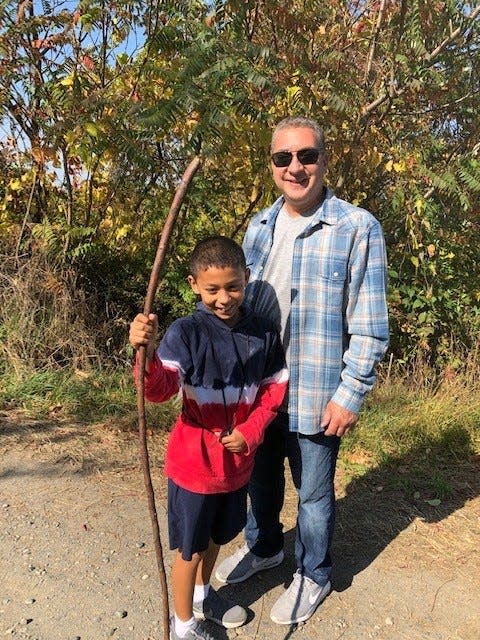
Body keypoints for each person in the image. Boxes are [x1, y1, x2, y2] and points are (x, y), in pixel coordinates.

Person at [215, 116, 389, 625]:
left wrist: (350, 394)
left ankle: (314, 573)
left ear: (324, 159)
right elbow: (234, 307)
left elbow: (371, 325)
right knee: (260, 483)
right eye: (283, 157)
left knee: (313, 497)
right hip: (258, 393)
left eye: (306, 155)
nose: (295, 166)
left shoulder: (357, 228)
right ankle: (265, 547)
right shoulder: (259, 227)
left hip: (316, 392)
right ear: (271, 165)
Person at [129, 236, 288, 640]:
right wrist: (144, 356)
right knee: (190, 549)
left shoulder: (264, 333)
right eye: (213, 289)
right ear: (194, 284)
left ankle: (203, 597)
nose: (224, 298)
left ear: (247, 279)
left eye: (233, 286)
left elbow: (274, 387)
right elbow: (161, 388)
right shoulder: (185, 333)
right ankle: (183, 625)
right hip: (194, 466)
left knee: (218, 536)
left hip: (236, 466)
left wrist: (252, 431)